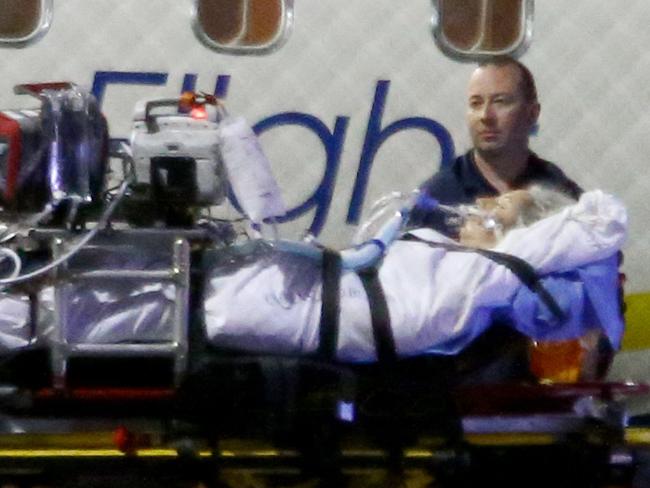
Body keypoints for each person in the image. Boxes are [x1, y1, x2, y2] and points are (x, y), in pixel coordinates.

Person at [408, 56, 584, 383]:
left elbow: (596, 290)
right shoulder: (437, 199)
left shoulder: (561, 194)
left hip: (549, 375)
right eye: (476, 104)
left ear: (532, 113)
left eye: (500, 102)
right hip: (459, 380)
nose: (486, 116)